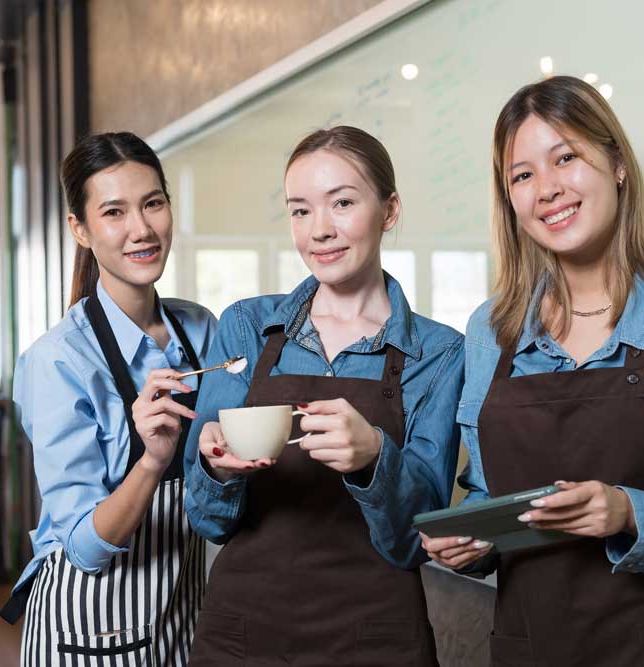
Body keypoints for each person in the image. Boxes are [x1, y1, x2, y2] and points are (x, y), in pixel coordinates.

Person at [423, 76, 644, 666]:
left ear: (616, 164)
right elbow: (492, 495)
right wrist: (469, 536)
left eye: (565, 157)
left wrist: (629, 513)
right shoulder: (490, 331)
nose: (547, 189)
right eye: (522, 174)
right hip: (529, 649)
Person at [182, 125, 464, 666]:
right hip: (242, 637)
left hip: (374, 639)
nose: (320, 230)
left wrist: (375, 458)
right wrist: (216, 468)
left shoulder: (440, 353)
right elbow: (209, 521)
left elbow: (413, 543)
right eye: (300, 210)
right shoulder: (247, 327)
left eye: (342, 203)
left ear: (390, 209)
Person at [0, 132, 217, 666]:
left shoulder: (201, 331)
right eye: (114, 212)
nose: (141, 229)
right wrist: (153, 461)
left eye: (153, 204)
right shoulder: (58, 361)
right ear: (81, 228)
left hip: (183, 613)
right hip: (88, 628)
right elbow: (85, 549)